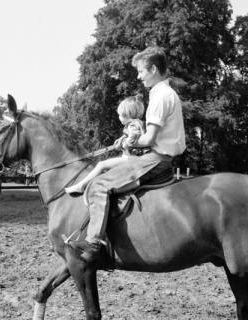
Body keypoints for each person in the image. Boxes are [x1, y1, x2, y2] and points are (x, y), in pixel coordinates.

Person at [67, 46, 186, 265]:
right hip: (158, 156)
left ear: (152, 69)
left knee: (99, 185)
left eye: (141, 71)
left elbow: (149, 139)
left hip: (155, 158)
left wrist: (130, 141)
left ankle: (93, 244)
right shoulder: (166, 94)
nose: (139, 77)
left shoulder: (161, 96)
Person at [65, 95, 148, 195]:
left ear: (128, 114)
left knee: (102, 165)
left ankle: (82, 186)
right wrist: (121, 139)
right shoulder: (137, 124)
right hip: (132, 158)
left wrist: (123, 144)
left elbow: (133, 137)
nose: (119, 117)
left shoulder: (132, 125)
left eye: (120, 115)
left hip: (131, 159)